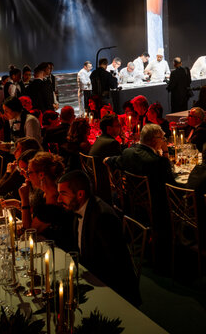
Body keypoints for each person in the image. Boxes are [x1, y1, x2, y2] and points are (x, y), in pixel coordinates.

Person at [57, 170, 141, 305]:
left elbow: (114, 266)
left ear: (80, 194)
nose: (59, 199)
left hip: (113, 291)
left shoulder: (102, 217)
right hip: (92, 278)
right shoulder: (78, 209)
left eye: (63, 194)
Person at [112, 124, 177, 259]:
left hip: (132, 202)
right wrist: (165, 153)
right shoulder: (158, 162)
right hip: (156, 207)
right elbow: (171, 186)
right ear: (154, 140)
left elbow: (115, 162)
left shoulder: (128, 152)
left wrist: (107, 160)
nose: (163, 141)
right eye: (162, 138)